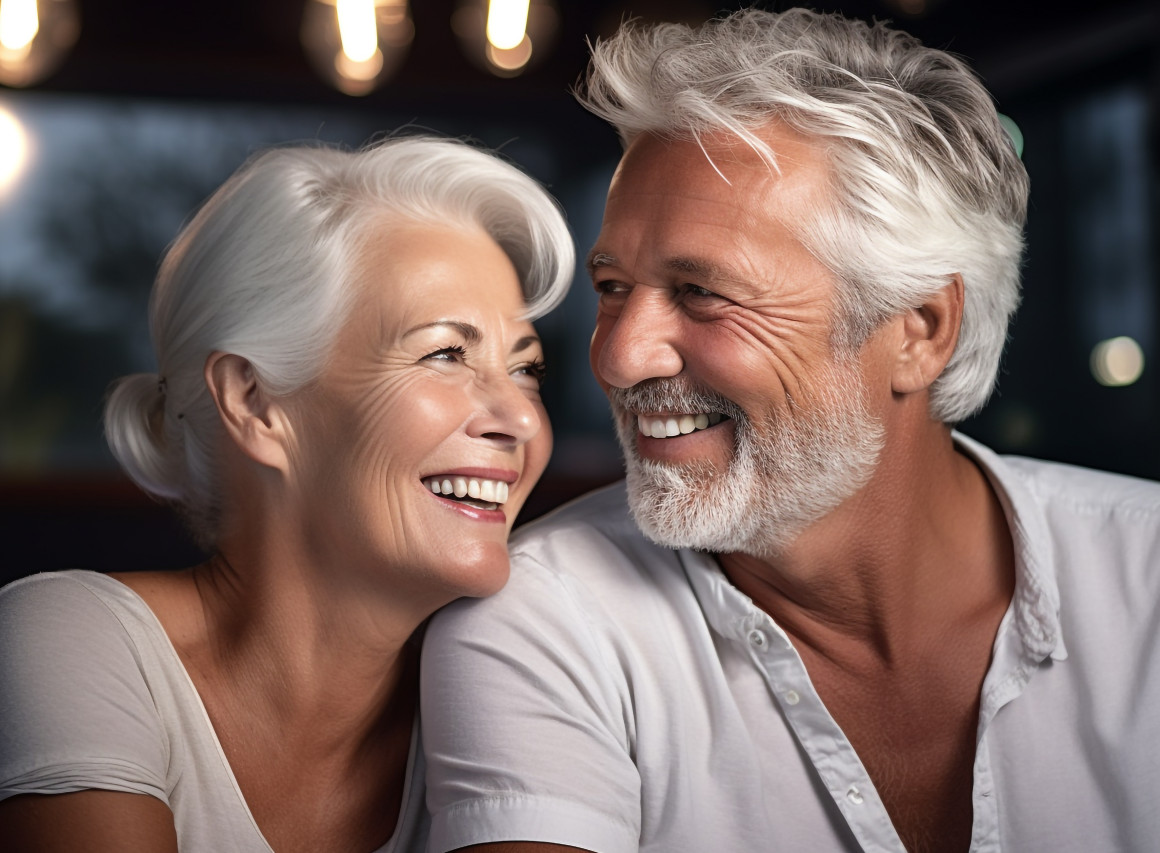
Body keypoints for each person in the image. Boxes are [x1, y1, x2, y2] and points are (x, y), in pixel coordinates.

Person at [420, 9, 1160, 853]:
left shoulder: (1145, 579)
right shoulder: (543, 624)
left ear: (919, 330)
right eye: (613, 287)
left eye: (703, 292)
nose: (619, 357)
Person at [0, 135, 575, 853]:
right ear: (255, 402)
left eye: (526, 369)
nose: (521, 419)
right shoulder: (69, 643)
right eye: (445, 353)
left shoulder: (520, 693)